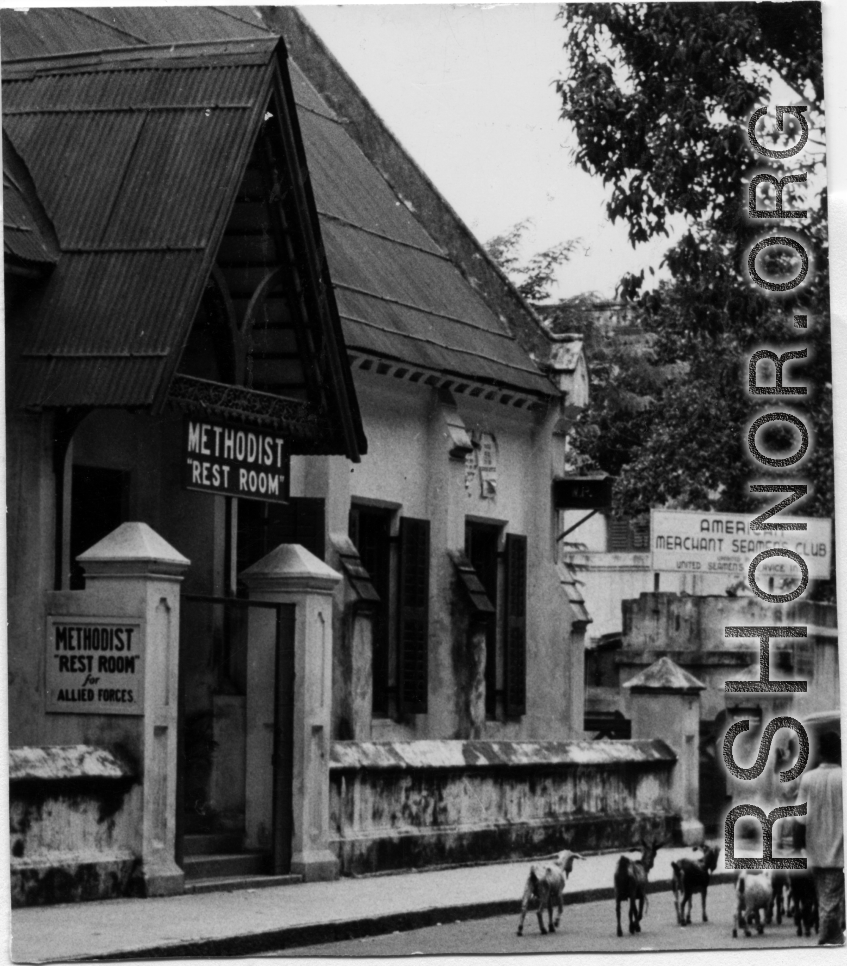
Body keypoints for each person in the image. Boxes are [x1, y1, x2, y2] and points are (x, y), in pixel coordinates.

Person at [795, 730, 844, 945]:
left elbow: (799, 820)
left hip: (815, 851)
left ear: (821, 752)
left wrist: (799, 849)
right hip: (839, 852)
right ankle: (827, 939)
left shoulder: (808, 779)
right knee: (830, 901)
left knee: (826, 898)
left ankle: (834, 935)